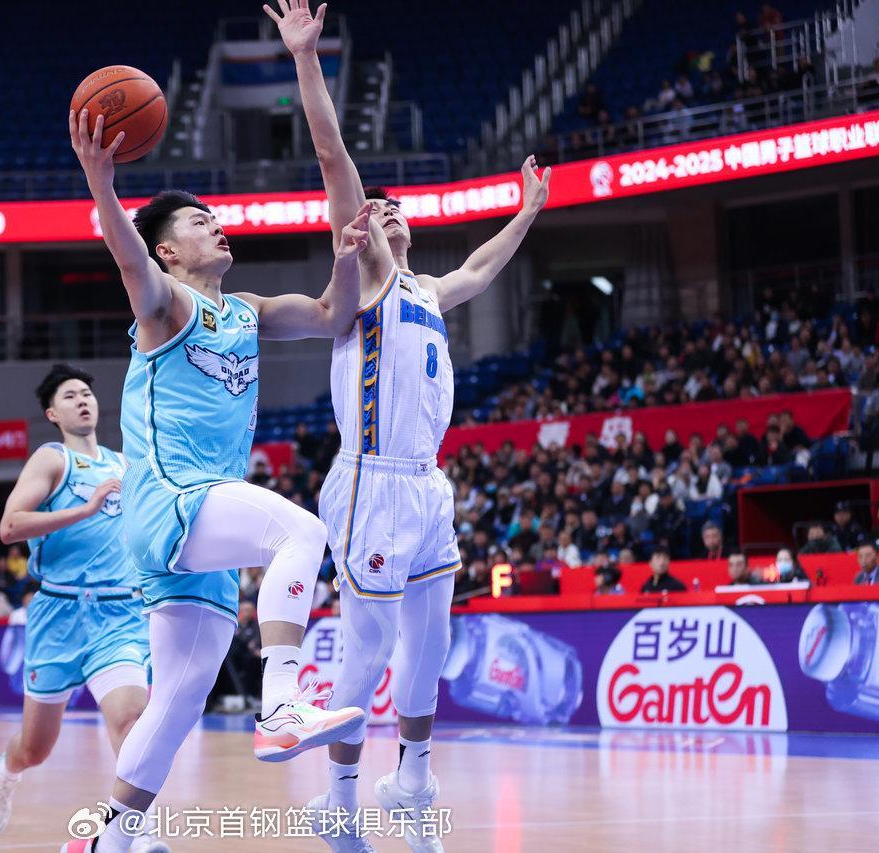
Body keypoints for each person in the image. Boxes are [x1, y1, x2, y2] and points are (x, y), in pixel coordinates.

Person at [272, 3, 550, 849]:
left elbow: (482, 266)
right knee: (369, 647)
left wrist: (527, 211)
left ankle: (413, 782)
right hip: (371, 479)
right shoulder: (370, 278)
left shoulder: (429, 290)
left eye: (396, 209)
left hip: (428, 484)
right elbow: (334, 158)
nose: (384, 212)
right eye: (377, 208)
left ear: (413, 228)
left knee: (430, 643)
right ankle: (338, 797)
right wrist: (307, 59)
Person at [64, 93, 371, 853]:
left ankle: (109, 841)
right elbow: (127, 255)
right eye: (198, 221)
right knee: (301, 531)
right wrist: (102, 184)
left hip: (201, 528)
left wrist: (345, 254)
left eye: (213, 216)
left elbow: (332, 315)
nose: (216, 223)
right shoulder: (163, 303)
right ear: (169, 252)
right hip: (171, 499)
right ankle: (281, 702)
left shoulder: (247, 310)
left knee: (177, 701)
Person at [0, 365, 165, 853]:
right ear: (52, 413)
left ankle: (133, 830)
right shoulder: (52, 459)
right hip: (58, 615)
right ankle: (7, 774)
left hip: (118, 615)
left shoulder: (125, 465)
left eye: (87, 393)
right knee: (35, 749)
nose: (83, 400)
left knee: (131, 719)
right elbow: (11, 527)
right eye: (70, 396)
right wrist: (85, 509)